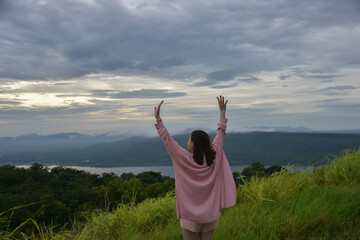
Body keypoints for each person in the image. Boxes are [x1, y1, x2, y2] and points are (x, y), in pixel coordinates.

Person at [154, 95, 236, 240]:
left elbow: (168, 140)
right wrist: (222, 113)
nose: (187, 143)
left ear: (194, 144)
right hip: (210, 215)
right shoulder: (214, 156)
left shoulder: (184, 159)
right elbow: (221, 133)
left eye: (189, 140)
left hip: (189, 216)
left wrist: (158, 119)